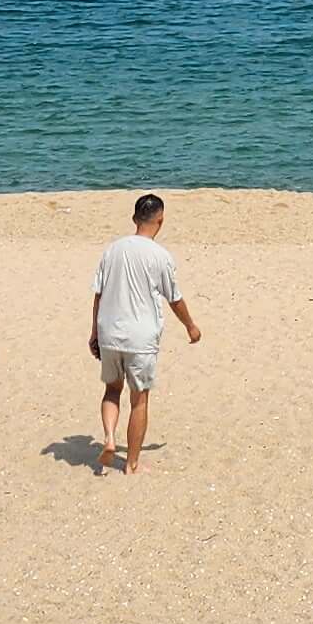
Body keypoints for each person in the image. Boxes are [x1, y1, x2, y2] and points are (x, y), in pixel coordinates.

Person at [87, 194, 201, 475]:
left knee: (112, 390)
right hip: (140, 337)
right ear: (160, 220)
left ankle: (110, 437)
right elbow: (174, 298)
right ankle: (132, 463)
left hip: (109, 331)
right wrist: (190, 325)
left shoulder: (113, 250)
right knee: (139, 399)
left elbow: (98, 296)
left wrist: (94, 333)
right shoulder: (160, 256)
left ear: (134, 218)